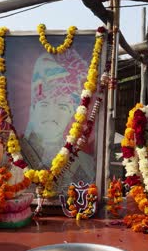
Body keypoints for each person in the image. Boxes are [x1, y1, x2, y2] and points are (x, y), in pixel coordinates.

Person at [21, 49, 95, 191]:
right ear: (32, 109)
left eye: (62, 106)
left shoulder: (85, 162)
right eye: (44, 104)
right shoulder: (12, 154)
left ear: (72, 113)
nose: (51, 113)